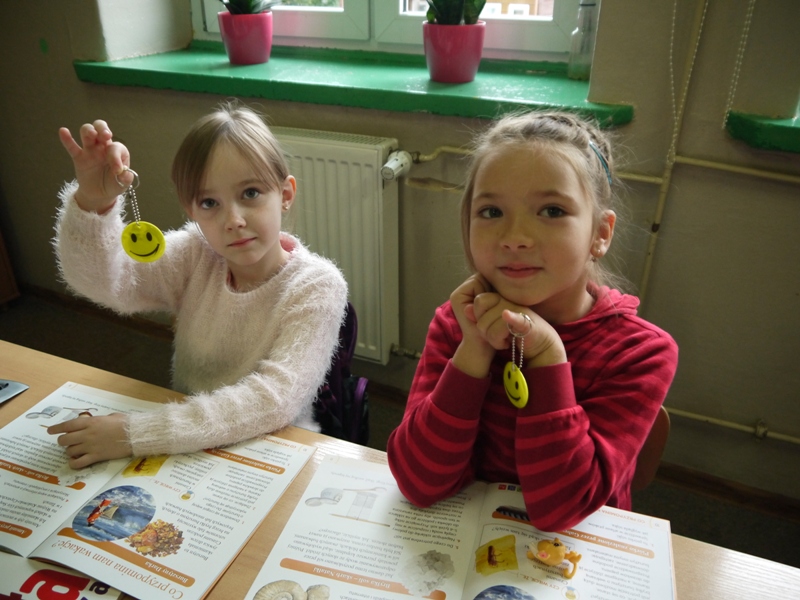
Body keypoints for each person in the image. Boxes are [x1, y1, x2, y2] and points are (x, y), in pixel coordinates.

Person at [386, 111, 678, 532]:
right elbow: (419, 483)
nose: (515, 238)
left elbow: (562, 509)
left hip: (573, 551)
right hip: (464, 536)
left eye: (552, 210)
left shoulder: (640, 352)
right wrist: (473, 351)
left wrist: (547, 356)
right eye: (491, 212)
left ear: (600, 233)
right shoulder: (456, 324)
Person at [49, 102, 348, 468]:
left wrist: (133, 433)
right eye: (210, 202)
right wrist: (94, 204)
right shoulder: (195, 253)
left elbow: (274, 400)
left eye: (250, 193)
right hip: (187, 441)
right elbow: (106, 284)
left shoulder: (318, 286)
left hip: (272, 448)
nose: (233, 220)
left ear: (285, 194)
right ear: (192, 211)